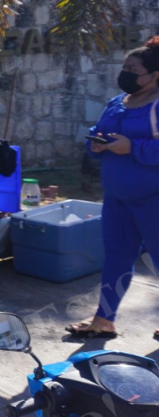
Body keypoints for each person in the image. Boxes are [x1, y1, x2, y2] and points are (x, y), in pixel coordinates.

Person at [66, 35, 159, 340]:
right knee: (117, 258)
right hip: (117, 198)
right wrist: (96, 143)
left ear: (154, 75)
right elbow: (98, 131)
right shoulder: (117, 103)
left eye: (133, 70)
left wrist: (132, 147)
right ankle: (104, 320)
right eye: (125, 67)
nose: (125, 74)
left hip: (153, 200)